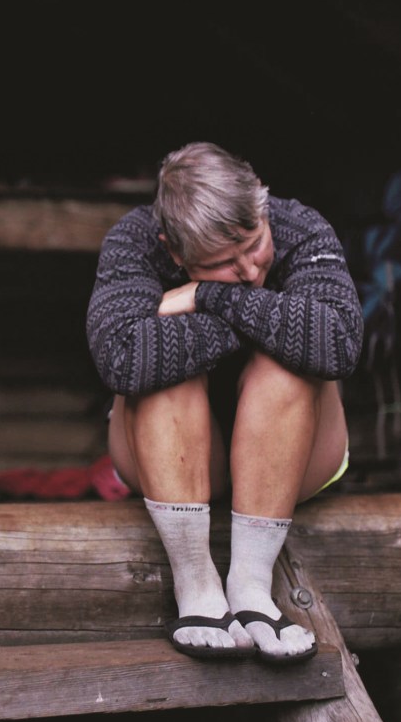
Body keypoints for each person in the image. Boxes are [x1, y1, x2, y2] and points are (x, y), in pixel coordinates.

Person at [86, 141, 362, 664]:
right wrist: (274, 321)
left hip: (296, 460)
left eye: (253, 245)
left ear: (262, 206)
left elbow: (339, 342)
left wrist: (208, 296)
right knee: (163, 374)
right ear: (174, 252)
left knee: (288, 365)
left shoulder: (301, 226)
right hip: (175, 462)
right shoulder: (133, 240)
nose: (249, 270)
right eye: (220, 264)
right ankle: (197, 590)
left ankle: (253, 590)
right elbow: (120, 358)